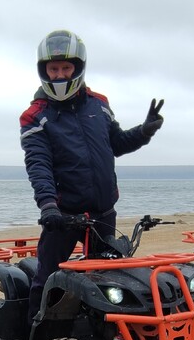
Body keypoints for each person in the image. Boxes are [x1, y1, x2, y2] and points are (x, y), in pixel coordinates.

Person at [20, 29, 164, 319]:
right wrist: (48, 205)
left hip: (103, 212)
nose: (60, 75)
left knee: (109, 280)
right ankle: (34, 334)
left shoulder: (99, 104)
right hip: (63, 216)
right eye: (53, 69)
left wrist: (144, 131)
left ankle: (103, 333)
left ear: (78, 68)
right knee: (47, 278)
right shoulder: (35, 116)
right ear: (44, 71)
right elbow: (39, 164)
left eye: (65, 68)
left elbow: (116, 144)